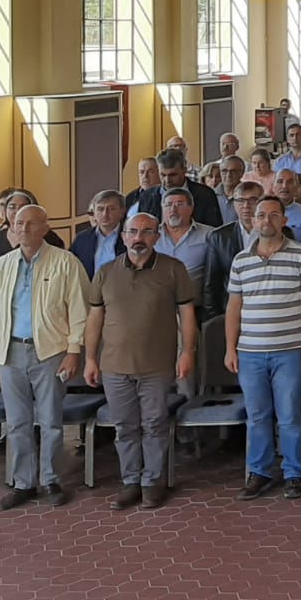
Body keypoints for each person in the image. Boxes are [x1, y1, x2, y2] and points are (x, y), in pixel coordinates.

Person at [82, 213, 197, 510]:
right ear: (123, 237)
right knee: (124, 427)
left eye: (146, 232)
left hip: (157, 365)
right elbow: (95, 319)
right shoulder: (105, 272)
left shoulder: (173, 269)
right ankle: (131, 481)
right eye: (132, 232)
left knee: (155, 424)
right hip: (114, 365)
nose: (138, 238)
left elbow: (187, 315)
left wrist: (187, 352)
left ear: (157, 236)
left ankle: (152, 483)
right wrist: (90, 359)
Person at [0, 204, 88, 509]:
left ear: (45, 228)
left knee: (51, 421)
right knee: (17, 423)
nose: (24, 229)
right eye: (18, 223)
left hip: (51, 352)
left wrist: (74, 350)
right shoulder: (0, 266)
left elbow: (79, 311)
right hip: (9, 352)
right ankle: (23, 483)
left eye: (31, 223)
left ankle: (51, 480)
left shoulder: (66, 263)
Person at [226, 195, 301, 500]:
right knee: (257, 415)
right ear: (253, 220)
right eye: (261, 215)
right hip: (250, 352)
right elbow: (233, 307)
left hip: (289, 350)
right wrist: (230, 348)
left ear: (284, 220)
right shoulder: (241, 260)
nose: (266, 220)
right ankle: (259, 472)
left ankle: (294, 474)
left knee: (289, 414)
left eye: (273, 215)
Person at [204, 182, 269, 322]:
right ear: (234, 204)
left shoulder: (277, 232)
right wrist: (214, 318)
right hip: (231, 312)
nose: (246, 206)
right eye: (240, 200)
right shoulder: (219, 236)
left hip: (267, 308)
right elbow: (211, 282)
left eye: (252, 200)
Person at [135, 149, 222, 229]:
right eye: (163, 175)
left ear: (184, 170)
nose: (167, 180)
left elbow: (214, 231)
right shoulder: (147, 197)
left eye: (173, 175)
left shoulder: (205, 195)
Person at [154, 187, 214, 293]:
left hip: (194, 300)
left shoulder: (209, 235)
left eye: (179, 204)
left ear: (191, 208)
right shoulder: (151, 234)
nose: (173, 210)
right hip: (157, 299)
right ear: (162, 209)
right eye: (168, 205)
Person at [0, 189, 63, 263]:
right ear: (5, 211)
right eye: (12, 207)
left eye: (23, 207)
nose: (17, 211)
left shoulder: (48, 237)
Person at [72, 189, 127, 278]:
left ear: (122, 212)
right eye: (100, 209)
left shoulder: (132, 237)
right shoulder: (82, 239)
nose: (105, 214)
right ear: (94, 213)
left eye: (111, 209)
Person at [272, 170, 301, 247]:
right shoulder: (262, 212)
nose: (284, 186)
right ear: (272, 187)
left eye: (290, 182)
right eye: (280, 181)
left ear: (296, 187)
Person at [214, 155, 246, 223]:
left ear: (242, 173)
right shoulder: (210, 195)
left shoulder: (248, 196)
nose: (228, 175)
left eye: (233, 171)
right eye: (224, 171)